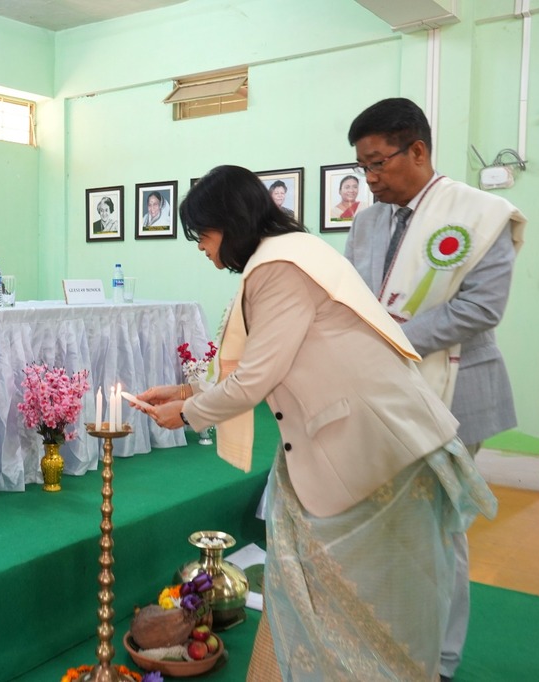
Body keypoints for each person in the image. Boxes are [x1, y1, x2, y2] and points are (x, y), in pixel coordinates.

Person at [135, 165, 496, 681]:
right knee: (333, 589)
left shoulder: (278, 268)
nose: (200, 247)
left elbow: (256, 377)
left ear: (230, 223)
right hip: (365, 439)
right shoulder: (292, 251)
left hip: (370, 449)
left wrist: (188, 414)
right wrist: (188, 391)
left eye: (203, 234)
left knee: (370, 600)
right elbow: (266, 361)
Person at [344, 97, 526, 682]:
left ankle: (440, 658)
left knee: (438, 530)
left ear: (417, 150)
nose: (371, 179)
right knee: (391, 524)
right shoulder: (368, 221)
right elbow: (352, 294)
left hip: (455, 391)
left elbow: (480, 309)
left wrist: (392, 339)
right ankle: (393, 634)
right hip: (385, 393)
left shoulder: (480, 214)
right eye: (363, 167)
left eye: (378, 163)